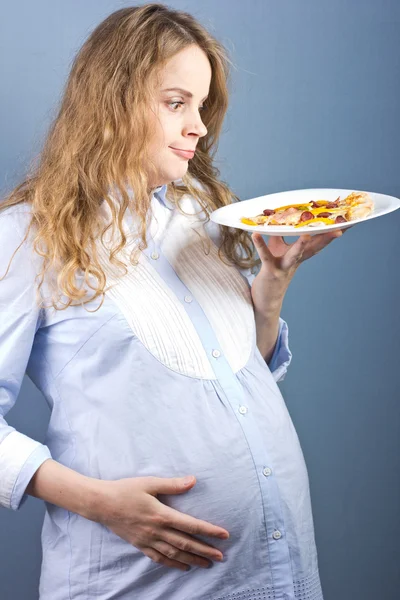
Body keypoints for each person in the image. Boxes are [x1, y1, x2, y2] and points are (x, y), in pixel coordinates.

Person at [0, 4, 346, 599]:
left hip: (275, 572)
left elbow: (234, 374)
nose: (199, 128)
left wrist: (272, 286)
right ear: (111, 99)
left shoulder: (201, 215)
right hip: (139, 582)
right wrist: (101, 503)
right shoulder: (26, 238)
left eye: (202, 107)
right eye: (175, 102)